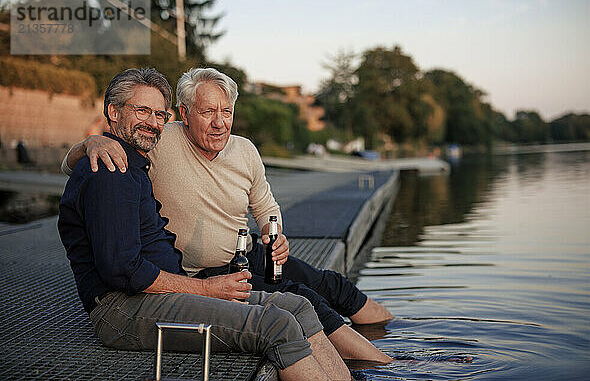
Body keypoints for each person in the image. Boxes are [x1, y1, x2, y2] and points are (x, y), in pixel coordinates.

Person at [63, 67, 393, 363]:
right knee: (302, 298)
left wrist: (273, 232)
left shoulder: (244, 149)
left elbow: (266, 207)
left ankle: (395, 338)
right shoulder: (159, 138)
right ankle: (378, 363)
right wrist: (92, 142)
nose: (220, 122)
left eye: (226, 112)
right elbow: (78, 165)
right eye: (208, 111)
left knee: (328, 283)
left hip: (246, 255)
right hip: (196, 275)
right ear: (184, 114)